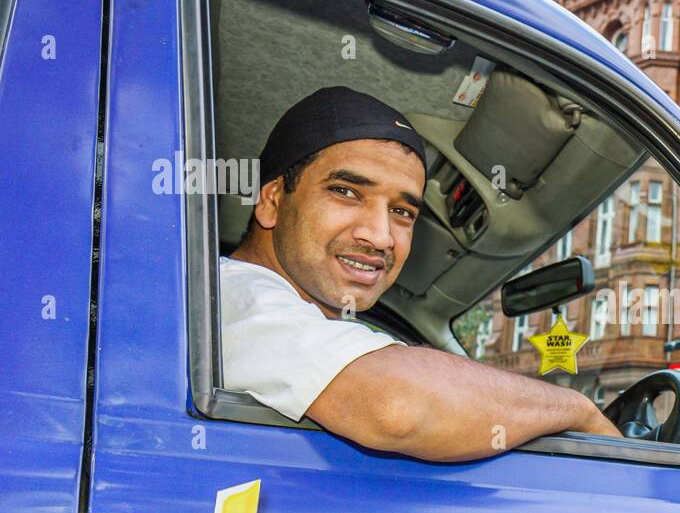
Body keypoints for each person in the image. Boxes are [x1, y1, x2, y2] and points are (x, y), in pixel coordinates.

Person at [221, 86, 619, 462]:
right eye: (345, 191)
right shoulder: (230, 296)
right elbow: (397, 407)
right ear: (272, 202)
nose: (380, 237)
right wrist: (578, 410)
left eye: (402, 212)